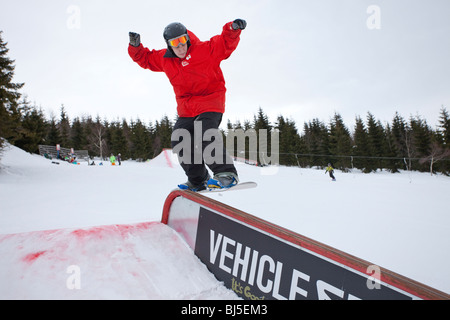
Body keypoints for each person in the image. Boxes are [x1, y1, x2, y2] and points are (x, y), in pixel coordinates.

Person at [128, 19, 247, 191]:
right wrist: (135, 46)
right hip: (187, 109)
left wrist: (233, 28)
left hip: (210, 101)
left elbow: (225, 42)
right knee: (179, 138)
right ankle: (199, 179)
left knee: (204, 131)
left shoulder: (205, 50)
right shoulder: (165, 59)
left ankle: (226, 173)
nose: (180, 47)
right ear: (169, 45)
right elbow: (145, 59)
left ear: (187, 39)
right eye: (175, 44)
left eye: (183, 41)